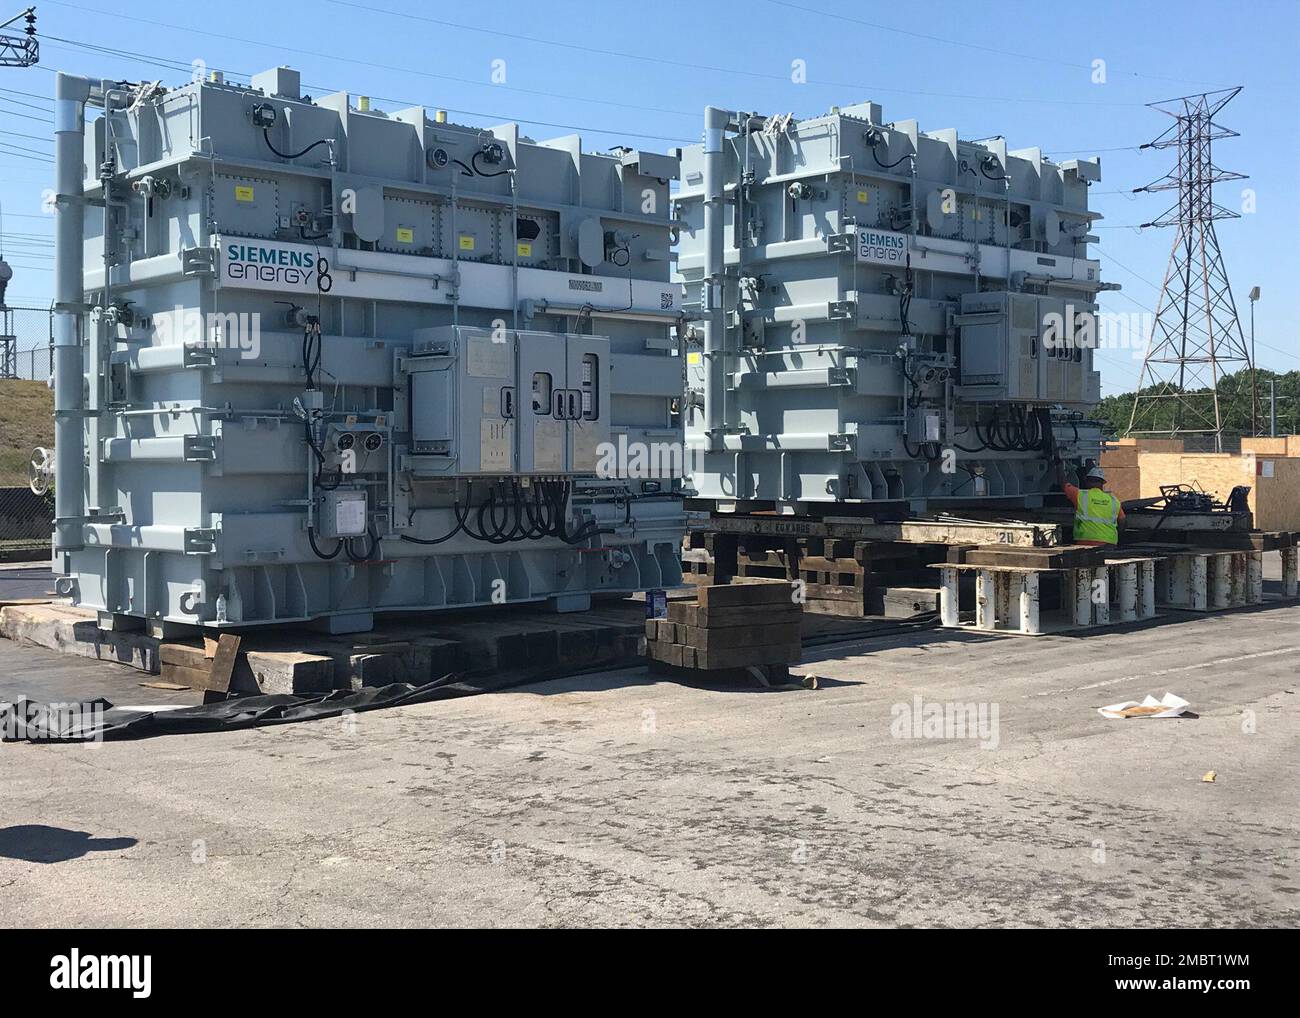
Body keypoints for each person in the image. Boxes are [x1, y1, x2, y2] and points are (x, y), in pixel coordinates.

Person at [1055, 460, 1124, 546]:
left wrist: (1058, 464)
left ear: (1086, 481)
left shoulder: (1080, 495)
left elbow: (1063, 483)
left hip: (1085, 542)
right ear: (1102, 483)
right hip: (1108, 542)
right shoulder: (1114, 501)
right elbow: (1122, 522)